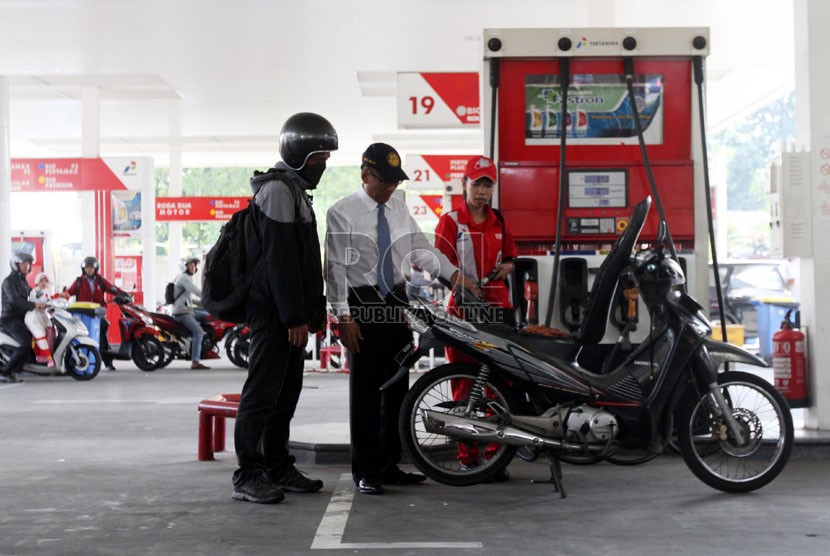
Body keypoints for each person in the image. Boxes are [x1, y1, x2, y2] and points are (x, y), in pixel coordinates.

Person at [325, 142, 482, 495]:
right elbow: (335, 268)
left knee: (397, 385)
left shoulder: (398, 208)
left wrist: (454, 275)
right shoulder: (342, 212)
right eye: (385, 180)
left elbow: (421, 249)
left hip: (396, 299)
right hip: (361, 303)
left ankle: (389, 464)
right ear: (365, 175)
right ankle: (365, 470)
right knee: (365, 390)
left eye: (396, 181)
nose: (391, 188)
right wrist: (343, 317)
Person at [231, 112, 337, 504]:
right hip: (273, 313)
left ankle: (276, 465)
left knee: (285, 393)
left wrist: (312, 312)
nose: (322, 168)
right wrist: (293, 316)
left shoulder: (295, 191)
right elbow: (280, 261)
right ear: (297, 154)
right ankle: (247, 474)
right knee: (261, 394)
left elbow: (305, 261)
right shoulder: (277, 191)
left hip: (290, 313)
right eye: (318, 161)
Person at [434, 155, 518, 482]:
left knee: (500, 387)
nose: (482, 191)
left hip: (498, 313)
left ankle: (496, 457)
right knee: (465, 386)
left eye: (487, 185)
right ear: (464, 184)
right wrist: (461, 282)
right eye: (476, 184)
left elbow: (510, 257)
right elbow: (438, 264)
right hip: (464, 315)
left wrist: (508, 266)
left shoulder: (500, 221)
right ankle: (468, 457)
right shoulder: (451, 221)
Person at [65, 256, 126, 371]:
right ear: (83, 269)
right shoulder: (79, 281)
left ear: (95, 268)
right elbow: (69, 292)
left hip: (98, 313)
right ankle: (80, 360)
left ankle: (108, 362)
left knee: (102, 333)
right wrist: (62, 297)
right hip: (83, 313)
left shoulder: (100, 281)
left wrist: (122, 294)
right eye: (87, 267)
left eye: (91, 267)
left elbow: (111, 288)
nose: (89, 270)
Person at [1, 251, 42, 383]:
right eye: (23, 263)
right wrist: (34, 305)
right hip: (10, 319)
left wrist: (48, 296)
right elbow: (14, 300)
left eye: (28, 264)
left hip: (22, 318)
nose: (26, 266)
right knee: (25, 344)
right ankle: (6, 372)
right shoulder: (9, 282)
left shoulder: (22, 281)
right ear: (16, 265)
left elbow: (32, 293)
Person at [171, 257, 210, 370]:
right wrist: (210, 297)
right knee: (198, 332)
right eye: (191, 265)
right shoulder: (184, 279)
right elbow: (197, 292)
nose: (194, 267)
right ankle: (195, 362)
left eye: (194, 265)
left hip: (186, 309)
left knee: (208, 315)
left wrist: (204, 303)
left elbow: (189, 299)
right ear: (184, 266)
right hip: (182, 313)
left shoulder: (184, 278)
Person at [25, 272, 56, 367]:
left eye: (45, 281)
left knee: (50, 332)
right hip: (33, 315)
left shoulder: (47, 291)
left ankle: (42, 356)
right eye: (41, 281)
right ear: (37, 282)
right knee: (40, 335)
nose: (43, 283)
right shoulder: (35, 291)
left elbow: (50, 301)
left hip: (43, 315)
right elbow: (40, 302)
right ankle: (49, 359)